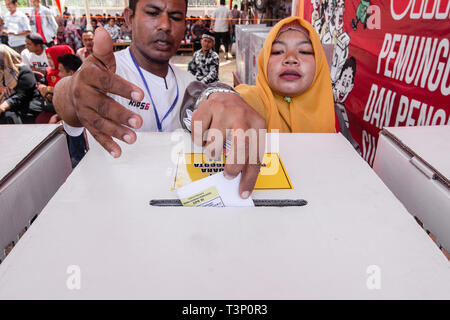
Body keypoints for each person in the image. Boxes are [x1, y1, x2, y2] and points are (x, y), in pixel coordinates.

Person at [53, 0, 266, 199]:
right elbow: (69, 97)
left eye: (175, 16)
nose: (165, 25)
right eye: (153, 13)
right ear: (129, 17)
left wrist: (227, 96)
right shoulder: (103, 74)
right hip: (115, 205)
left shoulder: (188, 81)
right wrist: (70, 90)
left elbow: (208, 96)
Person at [234, 17, 335, 133]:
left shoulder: (333, 113)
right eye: (277, 51)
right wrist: (219, 93)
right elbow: (235, 99)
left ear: (319, 65)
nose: (291, 59)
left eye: (304, 51)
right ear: (264, 61)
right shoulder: (255, 101)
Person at [0, 45, 43, 124]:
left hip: (25, 106)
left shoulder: (24, 72)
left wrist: (2, 107)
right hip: (7, 104)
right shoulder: (1, 72)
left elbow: (20, 96)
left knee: (7, 115)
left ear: (4, 60)